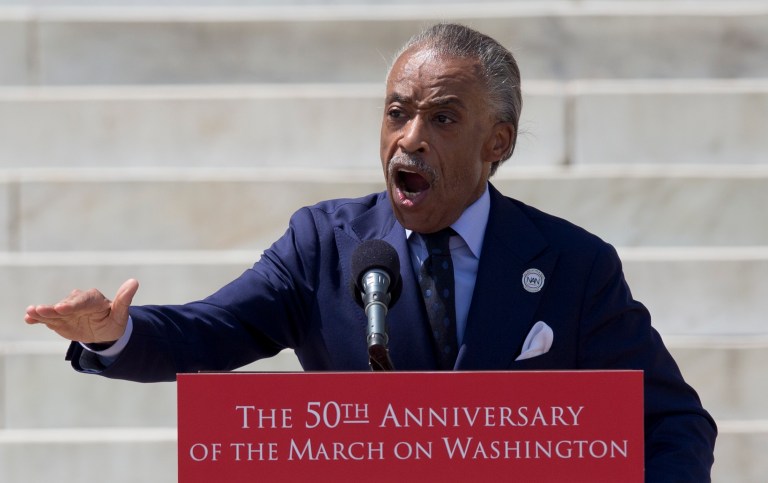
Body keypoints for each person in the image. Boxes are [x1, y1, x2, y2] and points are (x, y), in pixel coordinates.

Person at [25, 23, 716, 480]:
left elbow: (672, 422)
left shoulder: (573, 264)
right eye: (396, 111)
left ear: (497, 143)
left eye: (441, 117)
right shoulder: (323, 244)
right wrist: (118, 333)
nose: (409, 139)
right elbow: (212, 329)